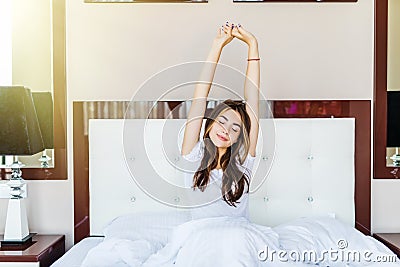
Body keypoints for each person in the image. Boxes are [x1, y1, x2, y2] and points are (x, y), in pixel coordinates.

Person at [181, 22, 260, 220]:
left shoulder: (242, 161)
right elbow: (200, 95)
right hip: (202, 239)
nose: (226, 130)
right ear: (209, 124)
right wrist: (217, 46)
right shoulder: (193, 155)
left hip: (238, 238)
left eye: (235, 129)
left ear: (238, 139)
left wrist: (252, 44)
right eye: (222, 121)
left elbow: (252, 98)